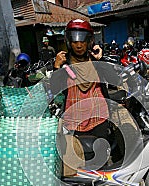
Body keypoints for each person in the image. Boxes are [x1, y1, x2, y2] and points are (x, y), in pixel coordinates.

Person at [50, 19, 121, 173]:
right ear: (69, 41)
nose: (79, 45)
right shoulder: (63, 63)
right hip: (74, 121)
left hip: (99, 118)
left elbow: (114, 81)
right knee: (77, 163)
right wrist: (56, 68)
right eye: (75, 40)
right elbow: (54, 89)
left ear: (89, 41)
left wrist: (101, 60)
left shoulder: (96, 60)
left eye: (83, 40)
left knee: (100, 159)